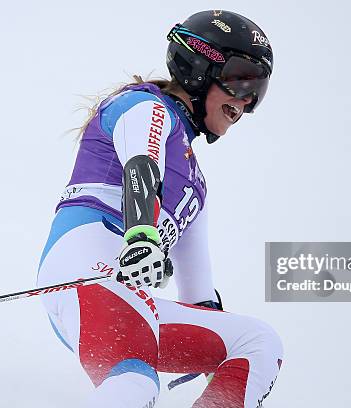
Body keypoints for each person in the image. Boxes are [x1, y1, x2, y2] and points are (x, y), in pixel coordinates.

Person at [37, 10, 282, 408]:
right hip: (87, 268)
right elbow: (141, 164)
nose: (247, 99)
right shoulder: (146, 107)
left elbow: (198, 295)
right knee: (137, 384)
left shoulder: (196, 186)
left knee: (257, 342)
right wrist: (143, 236)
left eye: (258, 89)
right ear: (199, 65)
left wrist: (213, 360)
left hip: (132, 297)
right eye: (241, 79)